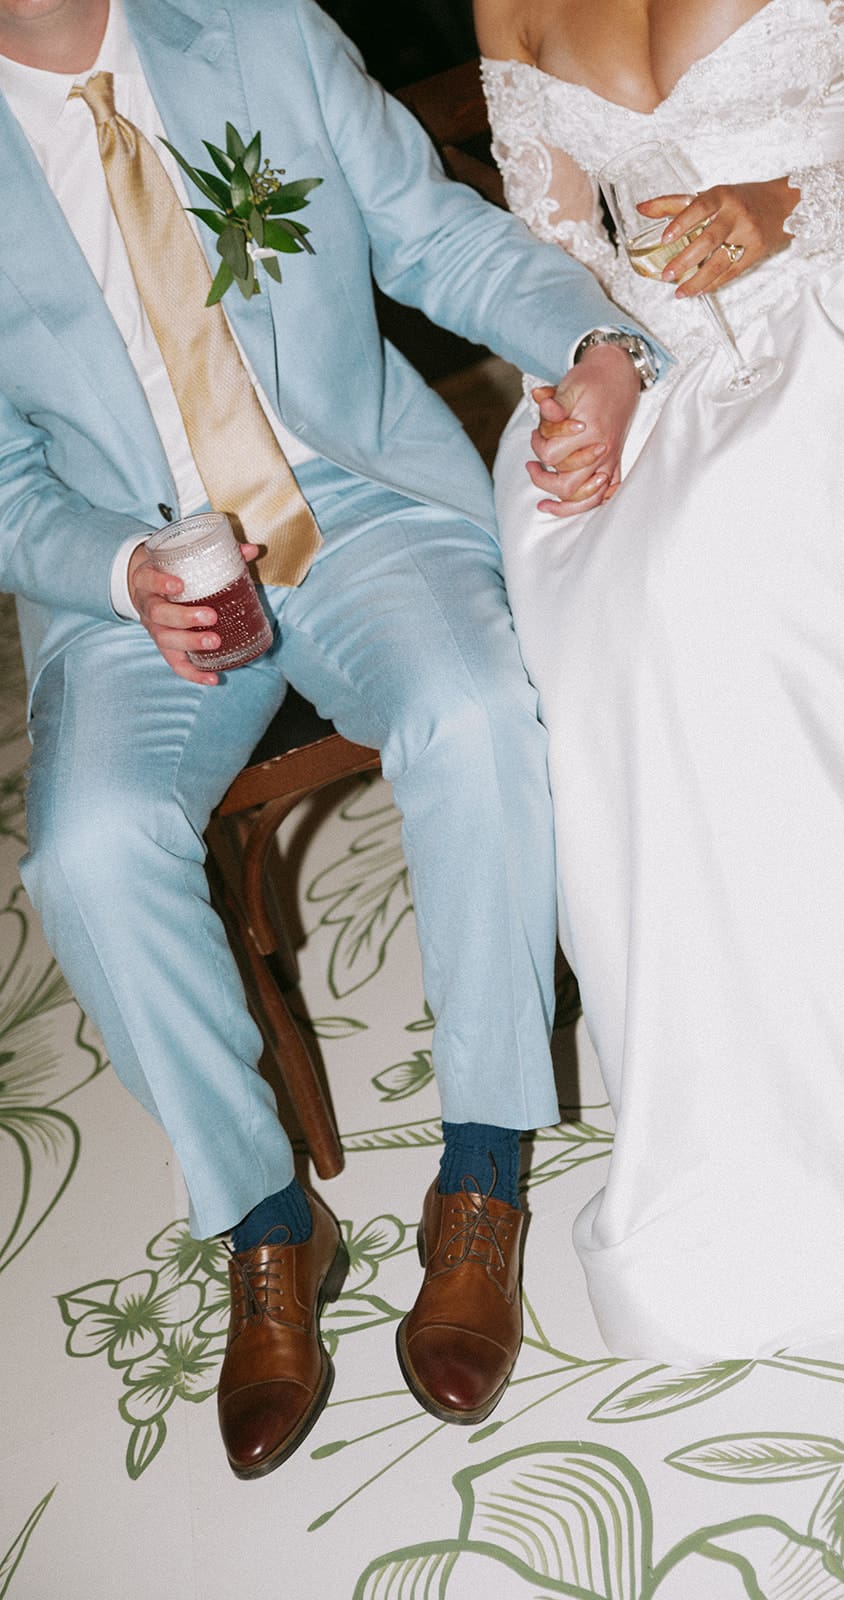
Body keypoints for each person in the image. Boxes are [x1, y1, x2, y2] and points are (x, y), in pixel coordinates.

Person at [0, 0, 665, 1476]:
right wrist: (123, 573)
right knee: (87, 853)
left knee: (477, 710)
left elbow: (427, 232)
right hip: (134, 577)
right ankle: (263, 1224)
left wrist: (596, 339)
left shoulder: (258, 33)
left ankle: (482, 1173)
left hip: (350, 501)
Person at [474, 0, 844, 1363]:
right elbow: (552, 243)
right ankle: (805, 1116)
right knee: (632, 612)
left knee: (838, 541)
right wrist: (599, 363)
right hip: (656, 366)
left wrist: (782, 206)